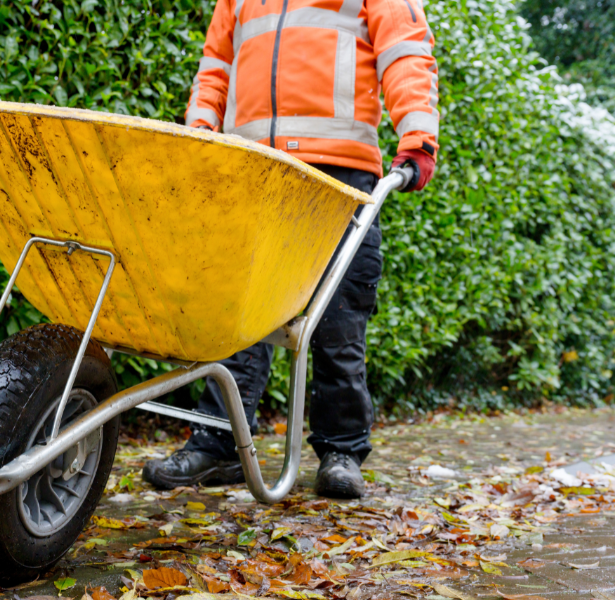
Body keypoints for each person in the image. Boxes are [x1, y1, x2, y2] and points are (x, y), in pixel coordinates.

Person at [142, 0, 438, 499]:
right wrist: (200, 131)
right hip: (255, 167)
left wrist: (417, 134)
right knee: (238, 316)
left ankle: (341, 451)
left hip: (338, 174)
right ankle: (218, 446)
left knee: (339, 319)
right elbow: (216, 64)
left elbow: (404, 52)